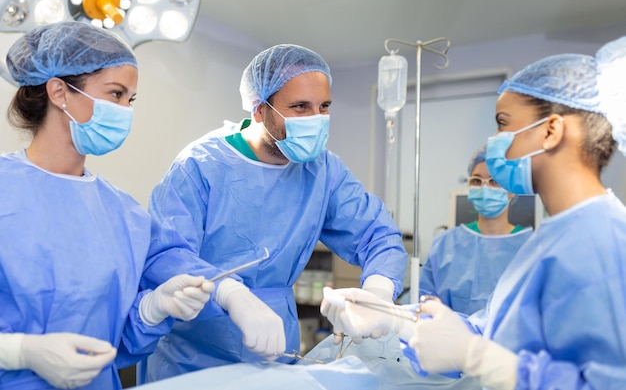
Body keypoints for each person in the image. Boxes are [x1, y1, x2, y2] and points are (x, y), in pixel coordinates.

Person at [139, 43, 407, 382]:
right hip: (192, 356)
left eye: (324, 107)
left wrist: (378, 294)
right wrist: (230, 293)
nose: (316, 120)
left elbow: (377, 234)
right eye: (300, 107)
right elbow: (166, 254)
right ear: (259, 109)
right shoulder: (200, 166)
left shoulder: (322, 170)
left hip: (276, 350)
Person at [0, 21, 214, 390]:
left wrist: (153, 309)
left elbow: (115, 340)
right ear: (59, 92)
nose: (125, 110)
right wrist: (21, 351)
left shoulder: (123, 213)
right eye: (115, 94)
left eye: (130, 99)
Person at [407, 36, 626, 389]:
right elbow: (494, 328)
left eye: (503, 123)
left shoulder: (603, 240)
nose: (495, 139)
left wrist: (477, 358)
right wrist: (390, 321)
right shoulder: (555, 235)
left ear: (551, 131)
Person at [419, 146, 533, 315]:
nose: (485, 188)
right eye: (477, 181)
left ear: (511, 191)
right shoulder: (445, 245)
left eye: (494, 181)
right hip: (451, 338)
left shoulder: (531, 246)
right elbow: (426, 306)